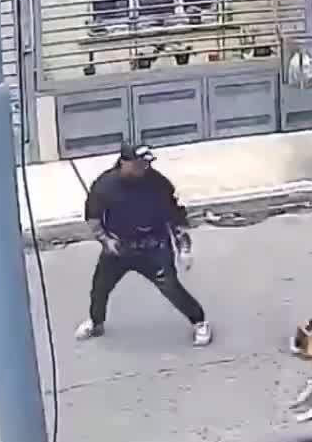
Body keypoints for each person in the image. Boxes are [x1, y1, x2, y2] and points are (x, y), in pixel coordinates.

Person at [75, 143, 212, 346]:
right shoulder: (105, 185)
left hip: (153, 247)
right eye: (139, 164)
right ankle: (96, 323)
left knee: (171, 288)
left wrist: (184, 248)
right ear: (124, 163)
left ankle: (200, 322)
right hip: (119, 248)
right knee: (99, 288)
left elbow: (175, 217)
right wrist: (105, 240)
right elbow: (93, 218)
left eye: (146, 163)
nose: (144, 168)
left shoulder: (157, 184)